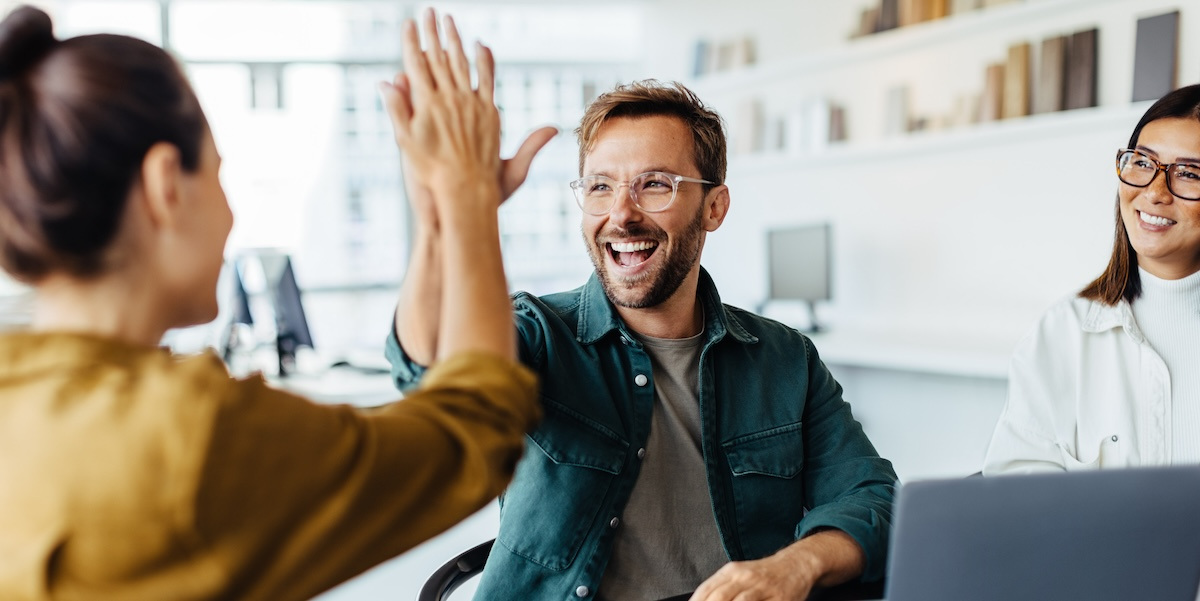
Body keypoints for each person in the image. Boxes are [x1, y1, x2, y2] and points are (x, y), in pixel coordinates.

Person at [0, 6, 548, 600]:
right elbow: (473, 433)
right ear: (165, 185)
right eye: (217, 174)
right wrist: (465, 195)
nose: (231, 213)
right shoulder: (187, 436)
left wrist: (444, 218)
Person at [388, 79, 897, 600]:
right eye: (600, 186)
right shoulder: (540, 335)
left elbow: (873, 498)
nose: (622, 213)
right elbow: (431, 369)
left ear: (714, 207)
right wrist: (442, 218)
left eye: (654, 184)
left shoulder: (785, 359)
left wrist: (797, 565)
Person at [984, 84, 1200, 474]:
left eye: (1188, 173)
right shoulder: (1061, 333)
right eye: (1142, 163)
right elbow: (1018, 498)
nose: (1153, 192)